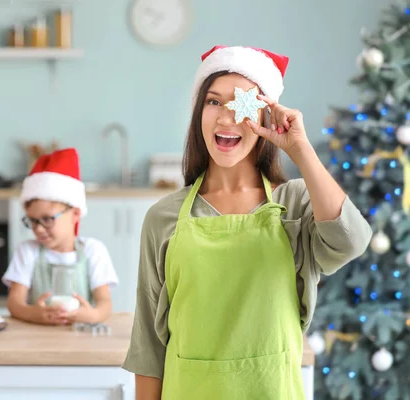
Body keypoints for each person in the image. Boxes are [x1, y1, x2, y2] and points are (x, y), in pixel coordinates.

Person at [122, 45, 373, 399]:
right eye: (213, 102)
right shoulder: (163, 217)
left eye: (242, 102)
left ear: (265, 116)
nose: (226, 118)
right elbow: (148, 346)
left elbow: (352, 241)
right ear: (199, 113)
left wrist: (300, 149)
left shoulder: (296, 203)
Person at [3, 148, 119, 326]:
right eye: (33, 221)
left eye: (47, 219)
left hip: (81, 336)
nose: (39, 229)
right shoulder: (27, 251)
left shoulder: (93, 250)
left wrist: (94, 315)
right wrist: (33, 314)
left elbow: (105, 303)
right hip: (38, 336)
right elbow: (14, 303)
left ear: (75, 214)